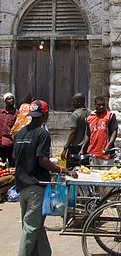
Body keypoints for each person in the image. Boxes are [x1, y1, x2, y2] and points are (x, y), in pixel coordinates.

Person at [13, 100, 78, 256]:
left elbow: (17, 158)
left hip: (21, 186)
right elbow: (42, 161)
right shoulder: (42, 134)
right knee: (31, 227)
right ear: (45, 115)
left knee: (34, 225)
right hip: (36, 186)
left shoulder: (19, 133)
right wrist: (63, 170)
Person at [80, 96, 118, 168]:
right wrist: (82, 148)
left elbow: (114, 132)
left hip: (106, 153)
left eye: (103, 105)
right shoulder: (90, 118)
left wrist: (108, 146)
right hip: (93, 153)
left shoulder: (110, 116)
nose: (101, 107)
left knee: (106, 176)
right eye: (99, 105)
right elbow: (87, 134)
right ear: (94, 105)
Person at [61, 93, 90, 169]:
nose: (72, 103)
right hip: (87, 147)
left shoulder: (75, 114)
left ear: (79, 102)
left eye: (74, 101)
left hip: (75, 147)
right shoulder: (90, 113)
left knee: (72, 170)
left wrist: (65, 148)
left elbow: (73, 132)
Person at [1, 93, 18, 166]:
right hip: (1, 144)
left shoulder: (17, 113)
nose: (11, 100)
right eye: (9, 99)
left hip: (11, 144)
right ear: (5, 101)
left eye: (12, 99)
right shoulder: (1, 113)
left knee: (13, 165)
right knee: (2, 165)